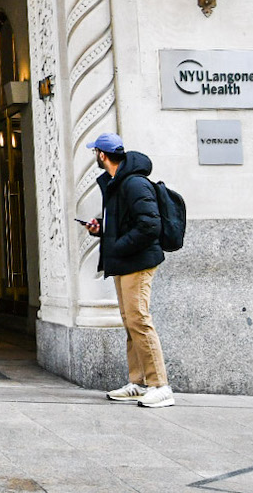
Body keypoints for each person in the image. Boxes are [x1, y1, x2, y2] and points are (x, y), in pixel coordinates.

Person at [81, 131, 173, 409]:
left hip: (138, 261)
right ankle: (138, 382)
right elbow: (125, 222)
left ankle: (160, 386)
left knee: (140, 321)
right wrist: (102, 229)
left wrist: (118, 246)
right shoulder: (116, 183)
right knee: (131, 321)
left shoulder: (133, 184)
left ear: (102, 155)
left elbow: (150, 225)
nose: (95, 156)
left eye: (95, 152)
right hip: (125, 260)